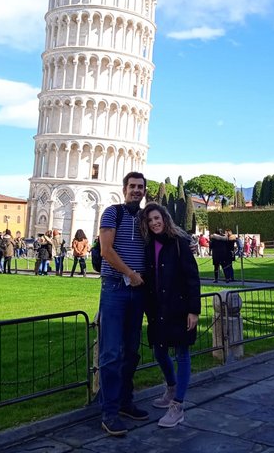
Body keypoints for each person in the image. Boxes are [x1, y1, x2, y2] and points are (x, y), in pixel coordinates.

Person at [139, 203, 201, 428]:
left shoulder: (179, 243)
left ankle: (178, 405)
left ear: (165, 218)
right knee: (159, 351)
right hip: (157, 308)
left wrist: (194, 310)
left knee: (182, 354)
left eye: (157, 218)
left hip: (179, 307)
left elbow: (192, 277)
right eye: (149, 220)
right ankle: (171, 386)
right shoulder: (147, 245)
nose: (154, 223)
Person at [99, 172, 148, 437]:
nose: (136, 191)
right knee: (111, 352)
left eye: (140, 187)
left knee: (131, 350)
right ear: (124, 189)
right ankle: (108, 412)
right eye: (132, 186)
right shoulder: (111, 212)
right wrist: (130, 273)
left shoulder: (144, 218)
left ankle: (125, 402)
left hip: (138, 291)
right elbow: (106, 250)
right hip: (116, 287)